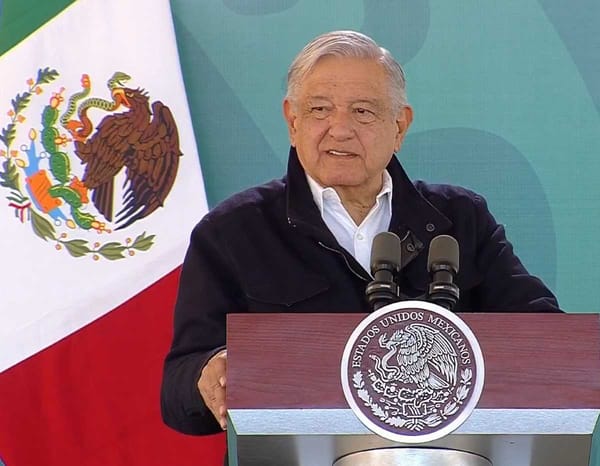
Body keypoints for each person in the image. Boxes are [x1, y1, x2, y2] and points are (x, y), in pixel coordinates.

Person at [160, 30, 560, 437]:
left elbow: (546, 338)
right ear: (292, 122)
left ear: (400, 126)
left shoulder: (459, 219)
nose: (339, 129)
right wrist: (208, 376)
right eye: (319, 109)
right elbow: (178, 388)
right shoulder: (233, 231)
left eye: (363, 112)